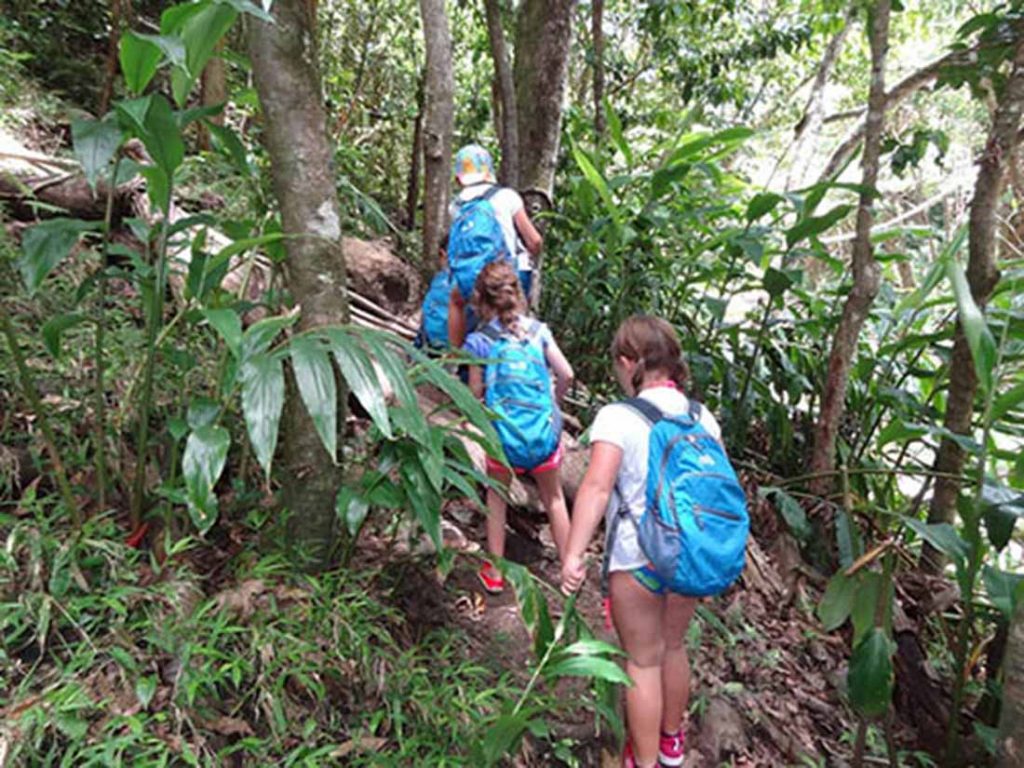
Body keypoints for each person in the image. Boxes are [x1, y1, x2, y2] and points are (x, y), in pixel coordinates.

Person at [560, 315, 724, 768]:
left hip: (638, 558)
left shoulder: (617, 417)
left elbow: (595, 488)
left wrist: (573, 554)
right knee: (674, 646)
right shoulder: (701, 416)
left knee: (643, 661)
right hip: (688, 556)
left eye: (618, 363)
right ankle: (672, 745)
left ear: (629, 362)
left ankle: (646, 761)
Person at [464, 261, 572, 594]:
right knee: (554, 498)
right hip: (543, 438)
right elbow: (567, 374)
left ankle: (495, 573)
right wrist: (553, 406)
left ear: (481, 300)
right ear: (518, 294)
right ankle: (571, 573)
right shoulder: (539, 332)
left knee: (496, 497)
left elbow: (475, 395)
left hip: (503, 440)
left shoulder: (478, 342)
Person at [447, 144, 543, 349]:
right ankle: (520, 357)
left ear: (459, 178)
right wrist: (532, 257)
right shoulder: (507, 196)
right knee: (513, 314)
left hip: (471, 277)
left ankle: (456, 357)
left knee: (456, 300)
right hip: (507, 272)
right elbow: (534, 240)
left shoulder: (456, 206)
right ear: (490, 172)